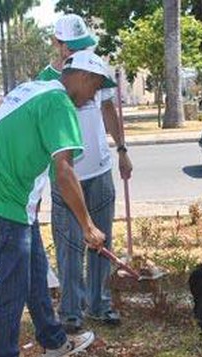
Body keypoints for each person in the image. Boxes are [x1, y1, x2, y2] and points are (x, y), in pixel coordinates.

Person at [0, 50, 116, 357]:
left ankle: (53, 342)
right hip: (4, 206)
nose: (94, 95)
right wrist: (88, 226)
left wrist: (3, 178)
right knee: (12, 286)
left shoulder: (32, 89)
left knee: (35, 271)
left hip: (2, 200)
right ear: (81, 76)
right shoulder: (59, 103)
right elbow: (64, 170)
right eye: (95, 85)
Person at [37, 14, 133, 333]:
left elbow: (108, 111)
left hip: (100, 172)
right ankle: (72, 311)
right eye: (71, 47)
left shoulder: (95, 71)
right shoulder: (47, 81)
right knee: (69, 244)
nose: (77, 52)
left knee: (101, 238)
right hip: (65, 178)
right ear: (57, 44)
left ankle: (99, 303)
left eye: (83, 45)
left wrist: (122, 150)